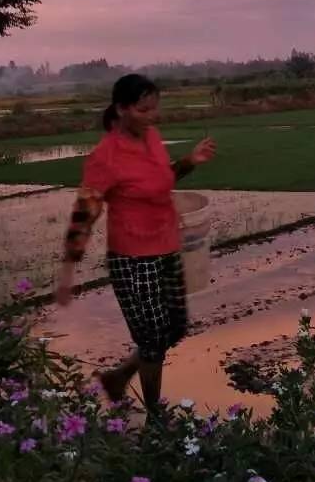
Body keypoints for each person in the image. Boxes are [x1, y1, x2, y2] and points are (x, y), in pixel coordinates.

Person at [54, 73, 216, 412]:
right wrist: (69, 266)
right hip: (133, 258)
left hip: (167, 247)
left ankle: (118, 377)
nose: (153, 116)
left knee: (173, 329)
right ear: (122, 109)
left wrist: (189, 161)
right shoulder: (106, 156)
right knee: (153, 340)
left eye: (155, 108)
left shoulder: (152, 138)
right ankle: (155, 416)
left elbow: (159, 181)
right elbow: (86, 210)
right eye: (144, 110)